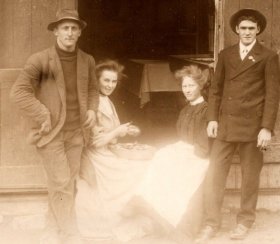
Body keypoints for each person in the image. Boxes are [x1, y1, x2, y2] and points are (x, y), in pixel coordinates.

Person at [75, 60, 211, 243]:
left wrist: (124, 132)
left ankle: (148, 209)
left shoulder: (204, 110)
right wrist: (118, 131)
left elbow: (202, 145)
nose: (110, 85)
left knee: (157, 165)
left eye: (113, 82)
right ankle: (145, 209)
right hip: (99, 156)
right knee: (146, 168)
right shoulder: (94, 104)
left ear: (200, 86)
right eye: (106, 81)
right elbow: (94, 140)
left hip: (195, 155)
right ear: (96, 81)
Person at [10, 9, 99, 244]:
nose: (69, 33)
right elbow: (18, 92)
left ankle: (52, 227)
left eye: (74, 28)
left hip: (77, 132)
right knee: (61, 183)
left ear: (79, 32)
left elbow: (92, 89)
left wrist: (91, 108)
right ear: (56, 32)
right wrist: (42, 113)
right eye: (65, 28)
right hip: (51, 133)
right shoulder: (40, 60)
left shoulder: (87, 60)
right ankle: (70, 234)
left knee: (66, 183)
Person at [195, 8, 280, 243]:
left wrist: (266, 128)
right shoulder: (226, 54)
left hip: (253, 128)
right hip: (226, 125)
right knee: (214, 175)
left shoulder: (268, 56)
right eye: (243, 28)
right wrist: (212, 118)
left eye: (251, 29)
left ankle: (244, 222)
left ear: (258, 31)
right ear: (236, 30)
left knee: (250, 177)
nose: (247, 32)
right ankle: (211, 223)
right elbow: (216, 90)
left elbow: (273, 95)